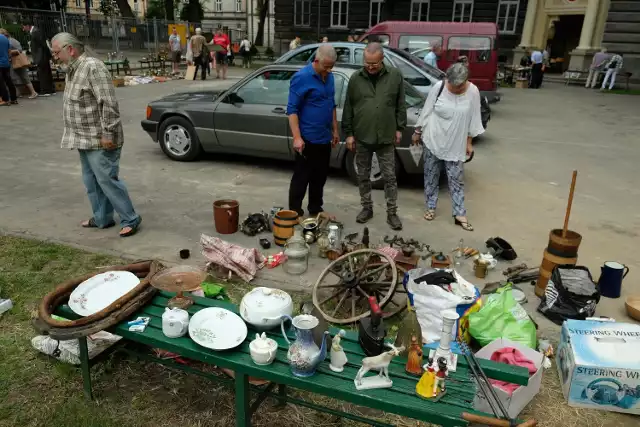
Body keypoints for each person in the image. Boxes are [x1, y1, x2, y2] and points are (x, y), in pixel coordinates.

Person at [51, 33, 142, 237]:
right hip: (83, 138)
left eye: (56, 52)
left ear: (70, 49)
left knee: (107, 180)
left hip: (101, 138)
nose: (55, 57)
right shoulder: (73, 69)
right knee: (91, 181)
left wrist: (108, 133)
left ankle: (131, 218)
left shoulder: (92, 67)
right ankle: (102, 218)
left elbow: (108, 102)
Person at [411, 63, 484, 232]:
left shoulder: (473, 91)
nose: (456, 88)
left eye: (459, 85)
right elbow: (427, 110)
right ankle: (430, 207)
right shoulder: (439, 87)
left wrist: (469, 142)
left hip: (455, 143)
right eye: (453, 84)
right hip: (434, 138)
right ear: (447, 79)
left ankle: (459, 213)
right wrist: (417, 131)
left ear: (466, 81)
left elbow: (474, 118)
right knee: (431, 176)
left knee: (456, 179)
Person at [342, 43, 406, 230]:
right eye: (367, 63)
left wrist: (399, 128)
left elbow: (400, 103)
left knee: (390, 177)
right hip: (362, 135)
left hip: (386, 136)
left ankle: (392, 213)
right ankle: (366, 208)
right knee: (363, 175)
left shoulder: (395, 76)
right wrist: (349, 134)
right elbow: (349, 107)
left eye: (374, 64)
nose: (370, 67)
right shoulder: (355, 78)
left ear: (382, 59)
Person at [286, 45, 340, 218]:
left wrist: (335, 129)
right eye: (326, 66)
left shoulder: (330, 78)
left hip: (324, 138)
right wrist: (297, 138)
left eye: (332, 66)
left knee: (319, 177)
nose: (329, 70)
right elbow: (292, 110)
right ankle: (294, 211)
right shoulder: (301, 77)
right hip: (307, 139)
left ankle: (316, 209)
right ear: (316, 61)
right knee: (302, 177)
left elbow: (331, 104)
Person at [0, 28, 38, 99]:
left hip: (18, 61)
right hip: (13, 61)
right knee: (14, 78)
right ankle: (18, 93)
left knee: (24, 77)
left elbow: (19, 49)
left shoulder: (12, 41)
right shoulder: (8, 40)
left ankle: (33, 92)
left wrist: (10, 52)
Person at [30, 24, 55, 96]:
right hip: (43, 56)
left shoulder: (35, 32)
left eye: (23, 27)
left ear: (27, 26)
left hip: (41, 57)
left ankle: (46, 90)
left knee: (43, 73)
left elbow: (42, 44)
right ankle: (50, 90)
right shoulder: (36, 31)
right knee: (46, 72)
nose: (23, 29)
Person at [0, 31, 17, 106]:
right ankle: (14, 99)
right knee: (9, 81)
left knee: (1, 83)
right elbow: (9, 51)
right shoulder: (5, 38)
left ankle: (5, 100)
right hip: (6, 63)